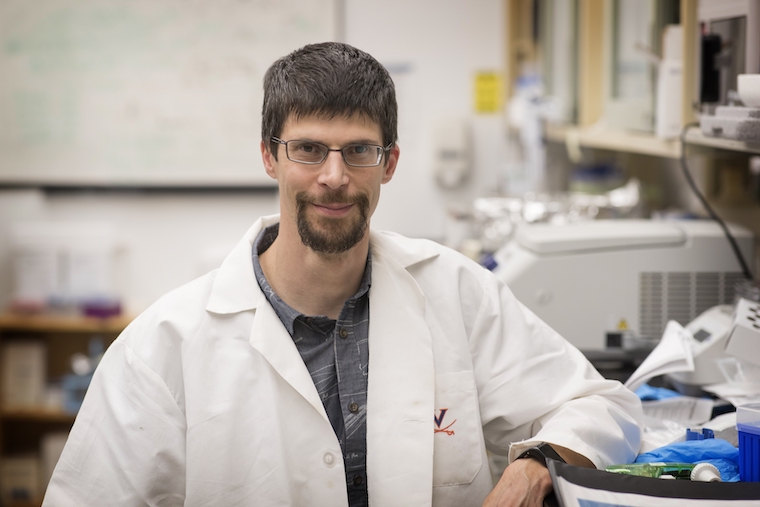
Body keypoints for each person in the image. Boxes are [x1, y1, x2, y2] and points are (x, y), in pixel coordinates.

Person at [43, 42, 643, 507]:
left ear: (390, 164)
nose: (334, 176)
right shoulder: (162, 347)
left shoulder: (458, 293)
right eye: (308, 149)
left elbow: (605, 406)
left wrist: (535, 461)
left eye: (359, 151)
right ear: (269, 156)